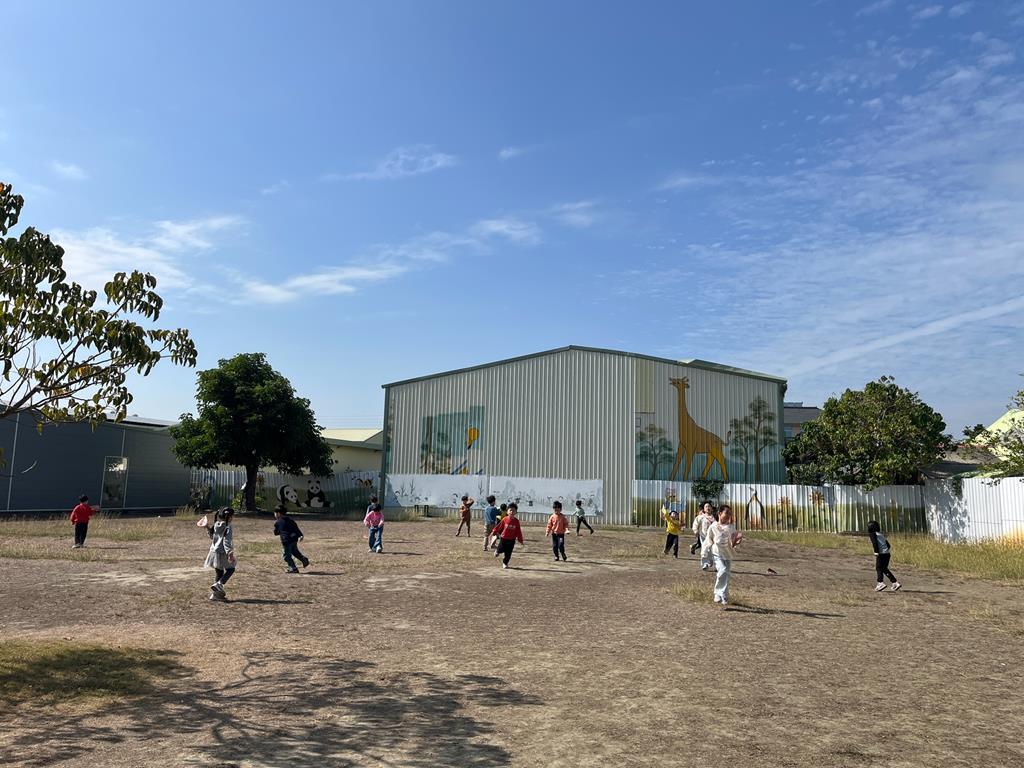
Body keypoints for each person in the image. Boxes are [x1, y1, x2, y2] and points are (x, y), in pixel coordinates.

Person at [701, 505, 742, 605]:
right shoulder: (713, 526)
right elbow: (708, 540)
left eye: (730, 514)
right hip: (717, 553)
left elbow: (734, 540)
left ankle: (724, 595)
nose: (728, 515)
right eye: (726, 513)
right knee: (722, 570)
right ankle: (717, 593)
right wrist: (704, 553)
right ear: (719, 513)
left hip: (728, 554)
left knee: (726, 574)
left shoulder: (731, 527)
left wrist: (737, 541)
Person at [205, 508, 237, 601]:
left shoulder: (216, 524)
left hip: (213, 552)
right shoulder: (228, 527)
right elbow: (227, 541)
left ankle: (215, 595)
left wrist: (207, 527)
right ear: (230, 517)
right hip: (222, 553)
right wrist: (230, 553)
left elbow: (212, 536)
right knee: (231, 569)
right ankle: (219, 584)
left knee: (219, 572)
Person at [867, 520, 902, 592]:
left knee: (878, 568)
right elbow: (888, 545)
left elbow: (874, 543)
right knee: (884, 569)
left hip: (881, 554)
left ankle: (880, 583)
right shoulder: (880, 534)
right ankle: (895, 583)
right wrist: (885, 550)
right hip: (887, 554)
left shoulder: (872, 534)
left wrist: (876, 552)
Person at [273, 506, 309, 573]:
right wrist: (300, 535)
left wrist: (277, 529)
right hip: (294, 539)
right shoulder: (290, 520)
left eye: (275, 513)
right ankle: (304, 559)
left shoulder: (278, 522)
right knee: (294, 551)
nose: (274, 514)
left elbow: (276, 533)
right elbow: (296, 528)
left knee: (286, 556)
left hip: (286, 541)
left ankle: (293, 568)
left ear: (278, 513)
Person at [492, 502, 524, 569]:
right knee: (501, 549)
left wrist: (520, 540)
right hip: (504, 538)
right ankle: (497, 551)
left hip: (512, 540)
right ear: (507, 511)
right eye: (510, 510)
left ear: (516, 512)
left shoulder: (516, 521)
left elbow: (518, 531)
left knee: (508, 553)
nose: (512, 512)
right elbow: (499, 526)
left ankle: (505, 563)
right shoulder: (505, 519)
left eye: (513, 510)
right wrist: (495, 531)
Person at [691, 503, 716, 569]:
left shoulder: (714, 518)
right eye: (706, 506)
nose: (708, 508)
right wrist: (695, 531)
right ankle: (705, 563)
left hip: (712, 537)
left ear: (712, 509)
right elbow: (695, 524)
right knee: (704, 549)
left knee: (711, 550)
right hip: (703, 536)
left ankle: (710, 561)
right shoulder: (701, 517)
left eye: (709, 506)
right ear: (704, 509)